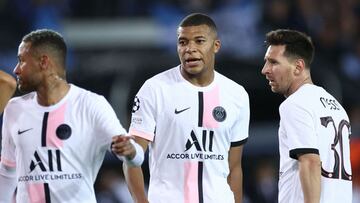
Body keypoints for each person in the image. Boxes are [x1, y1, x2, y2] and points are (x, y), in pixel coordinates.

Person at [0, 29, 144, 203]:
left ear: (44, 62)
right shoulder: (15, 109)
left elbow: (136, 156)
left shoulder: (90, 105)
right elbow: (7, 171)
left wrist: (130, 151)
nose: (16, 70)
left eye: (21, 61)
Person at [120, 13, 250, 203]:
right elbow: (133, 158)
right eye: (182, 42)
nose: (190, 49)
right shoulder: (155, 89)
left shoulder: (237, 95)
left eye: (199, 41)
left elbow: (235, 167)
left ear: (216, 46)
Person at [261, 29, 352, 203]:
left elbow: (310, 162)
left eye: (273, 62)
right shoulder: (337, 107)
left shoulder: (295, 104)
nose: (265, 70)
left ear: (298, 67)